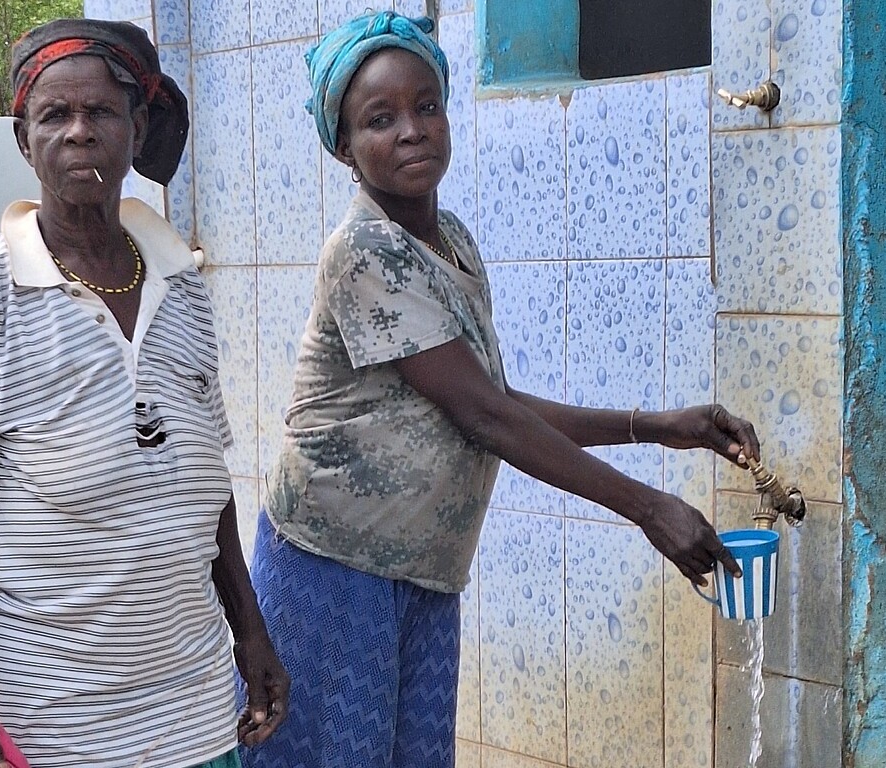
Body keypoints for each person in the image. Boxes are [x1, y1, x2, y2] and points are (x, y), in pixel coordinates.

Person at [240, 11, 760, 768]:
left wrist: (657, 425)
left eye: (426, 106)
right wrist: (647, 508)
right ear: (344, 149)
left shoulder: (448, 242)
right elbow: (483, 416)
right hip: (334, 569)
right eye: (379, 119)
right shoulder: (362, 251)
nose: (411, 130)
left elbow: (497, 399)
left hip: (420, 571)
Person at [0, 19, 288, 768]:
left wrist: (249, 629)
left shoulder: (181, 283)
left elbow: (205, 483)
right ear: (25, 140)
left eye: (101, 113)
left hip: (195, 704)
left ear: (136, 126)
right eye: (54, 115)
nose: (78, 132)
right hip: (57, 716)